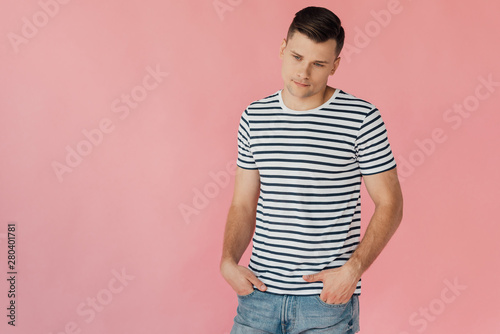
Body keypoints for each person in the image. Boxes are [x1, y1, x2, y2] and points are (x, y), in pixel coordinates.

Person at [220, 6, 403, 334]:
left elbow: (391, 203)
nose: (303, 72)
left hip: (324, 302)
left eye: (318, 63)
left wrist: (353, 271)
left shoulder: (362, 118)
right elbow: (242, 204)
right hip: (258, 295)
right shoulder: (255, 117)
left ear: (335, 65)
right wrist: (228, 261)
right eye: (296, 57)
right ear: (282, 49)